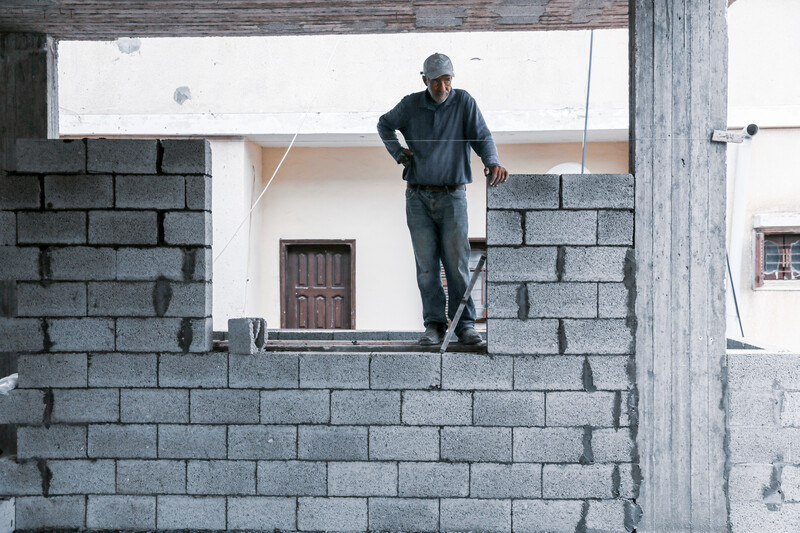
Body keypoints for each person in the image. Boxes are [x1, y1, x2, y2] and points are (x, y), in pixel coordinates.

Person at [377, 52, 508, 345]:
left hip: (453, 197)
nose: (442, 88)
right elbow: (384, 124)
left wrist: (492, 161)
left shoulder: (463, 102)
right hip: (418, 197)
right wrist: (398, 152)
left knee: (457, 263)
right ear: (425, 80)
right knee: (426, 266)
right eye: (436, 81)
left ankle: (465, 327)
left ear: (453, 78)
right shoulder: (411, 105)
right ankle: (434, 325)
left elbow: (482, 136)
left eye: (447, 80)